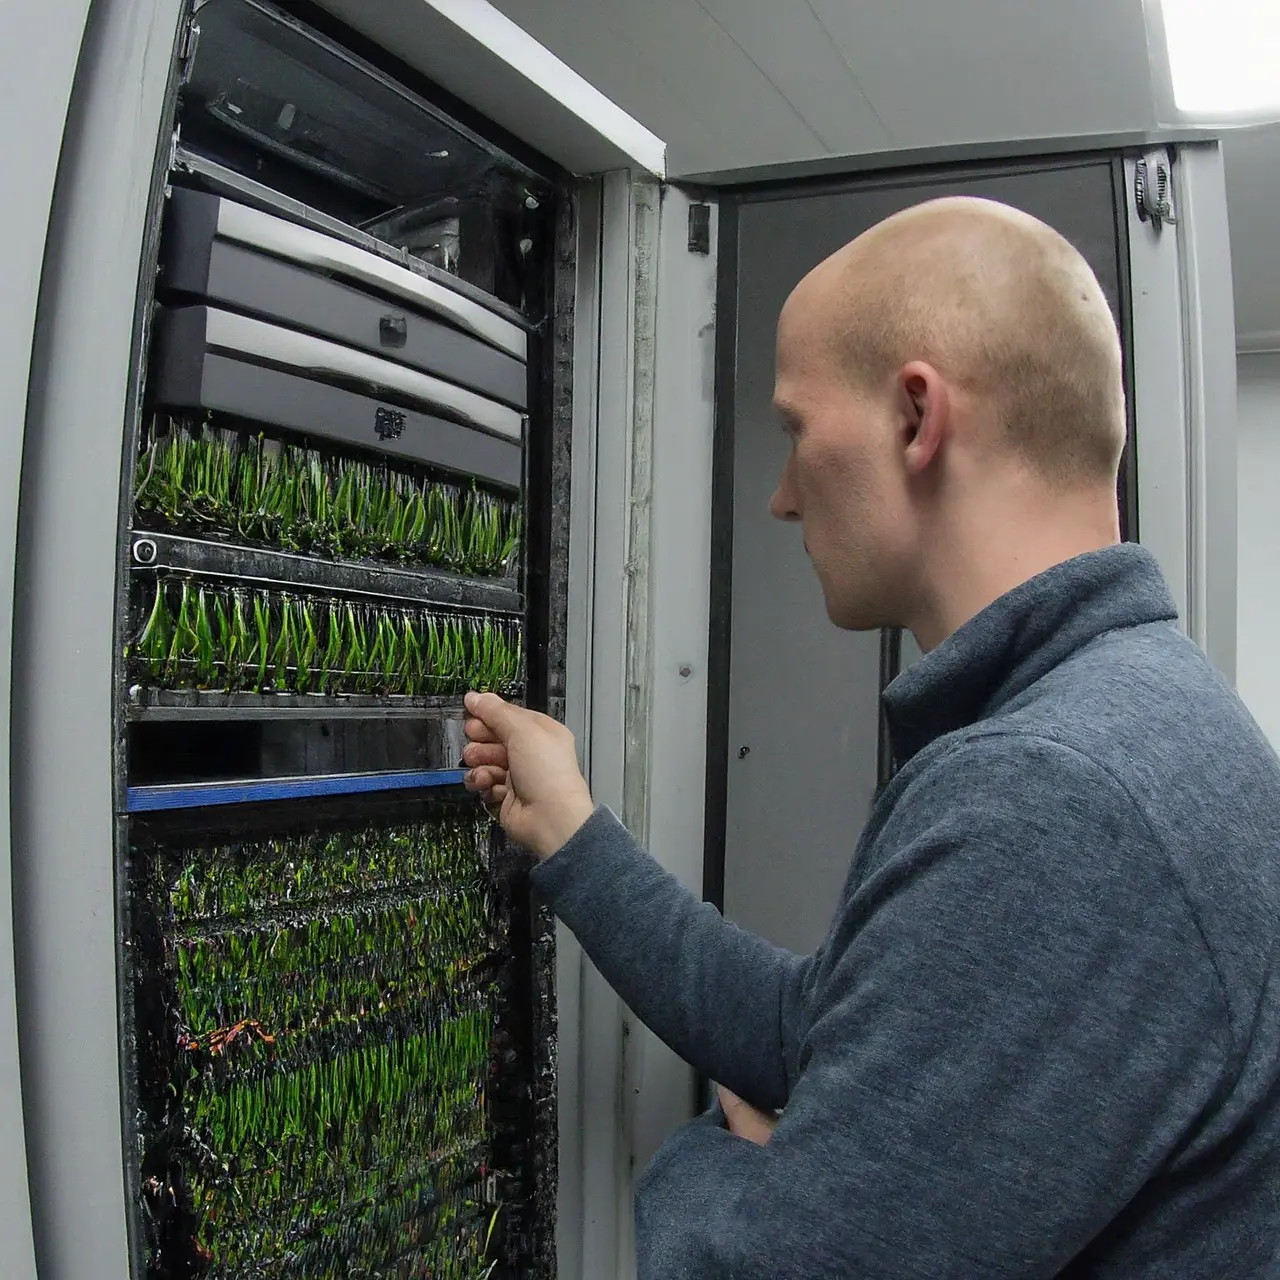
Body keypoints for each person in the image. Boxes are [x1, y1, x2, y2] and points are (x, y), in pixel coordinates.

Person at [462, 196, 1280, 1277]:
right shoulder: (1127, 717)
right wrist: (573, 837)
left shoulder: (1052, 796)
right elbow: (814, 1022)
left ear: (913, 416)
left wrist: (727, 1160)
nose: (781, 496)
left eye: (797, 429)